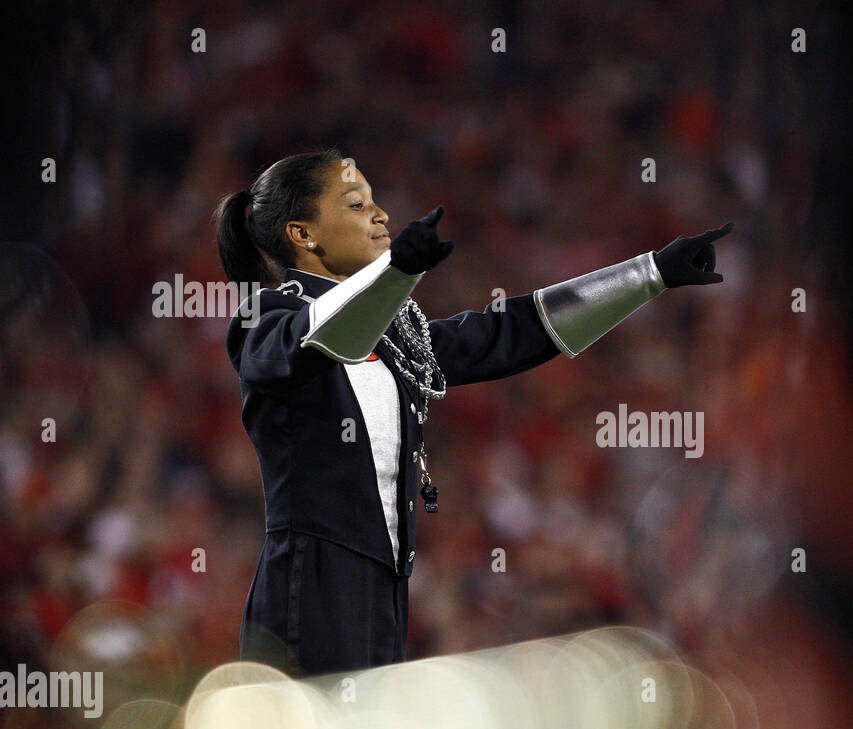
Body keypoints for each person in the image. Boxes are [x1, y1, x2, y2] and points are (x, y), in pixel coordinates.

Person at [216, 148, 732, 681]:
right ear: (305, 235)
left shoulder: (395, 336)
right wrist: (398, 273)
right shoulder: (266, 316)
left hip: (384, 584)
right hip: (311, 578)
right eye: (355, 204)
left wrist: (650, 274)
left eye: (374, 201)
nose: (380, 216)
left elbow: (506, 333)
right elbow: (319, 341)